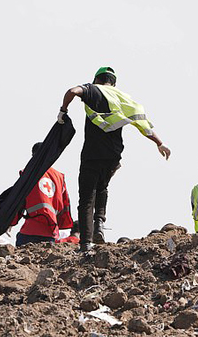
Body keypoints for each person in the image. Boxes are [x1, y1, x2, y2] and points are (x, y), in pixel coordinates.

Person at [58, 66, 171, 251]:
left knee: (86, 198)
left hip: (92, 154)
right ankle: (99, 225)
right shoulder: (123, 97)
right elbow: (143, 124)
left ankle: (86, 243)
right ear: (114, 83)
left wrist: (63, 110)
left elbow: (72, 91)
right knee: (102, 187)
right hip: (113, 156)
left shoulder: (93, 89)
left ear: (96, 80)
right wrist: (159, 143)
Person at [12, 142, 73, 246]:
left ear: (33, 155)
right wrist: (63, 225)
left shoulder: (28, 173)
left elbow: (18, 201)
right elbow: (65, 205)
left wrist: (11, 222)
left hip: (29, 231)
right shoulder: (59, 177)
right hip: (51, 233)